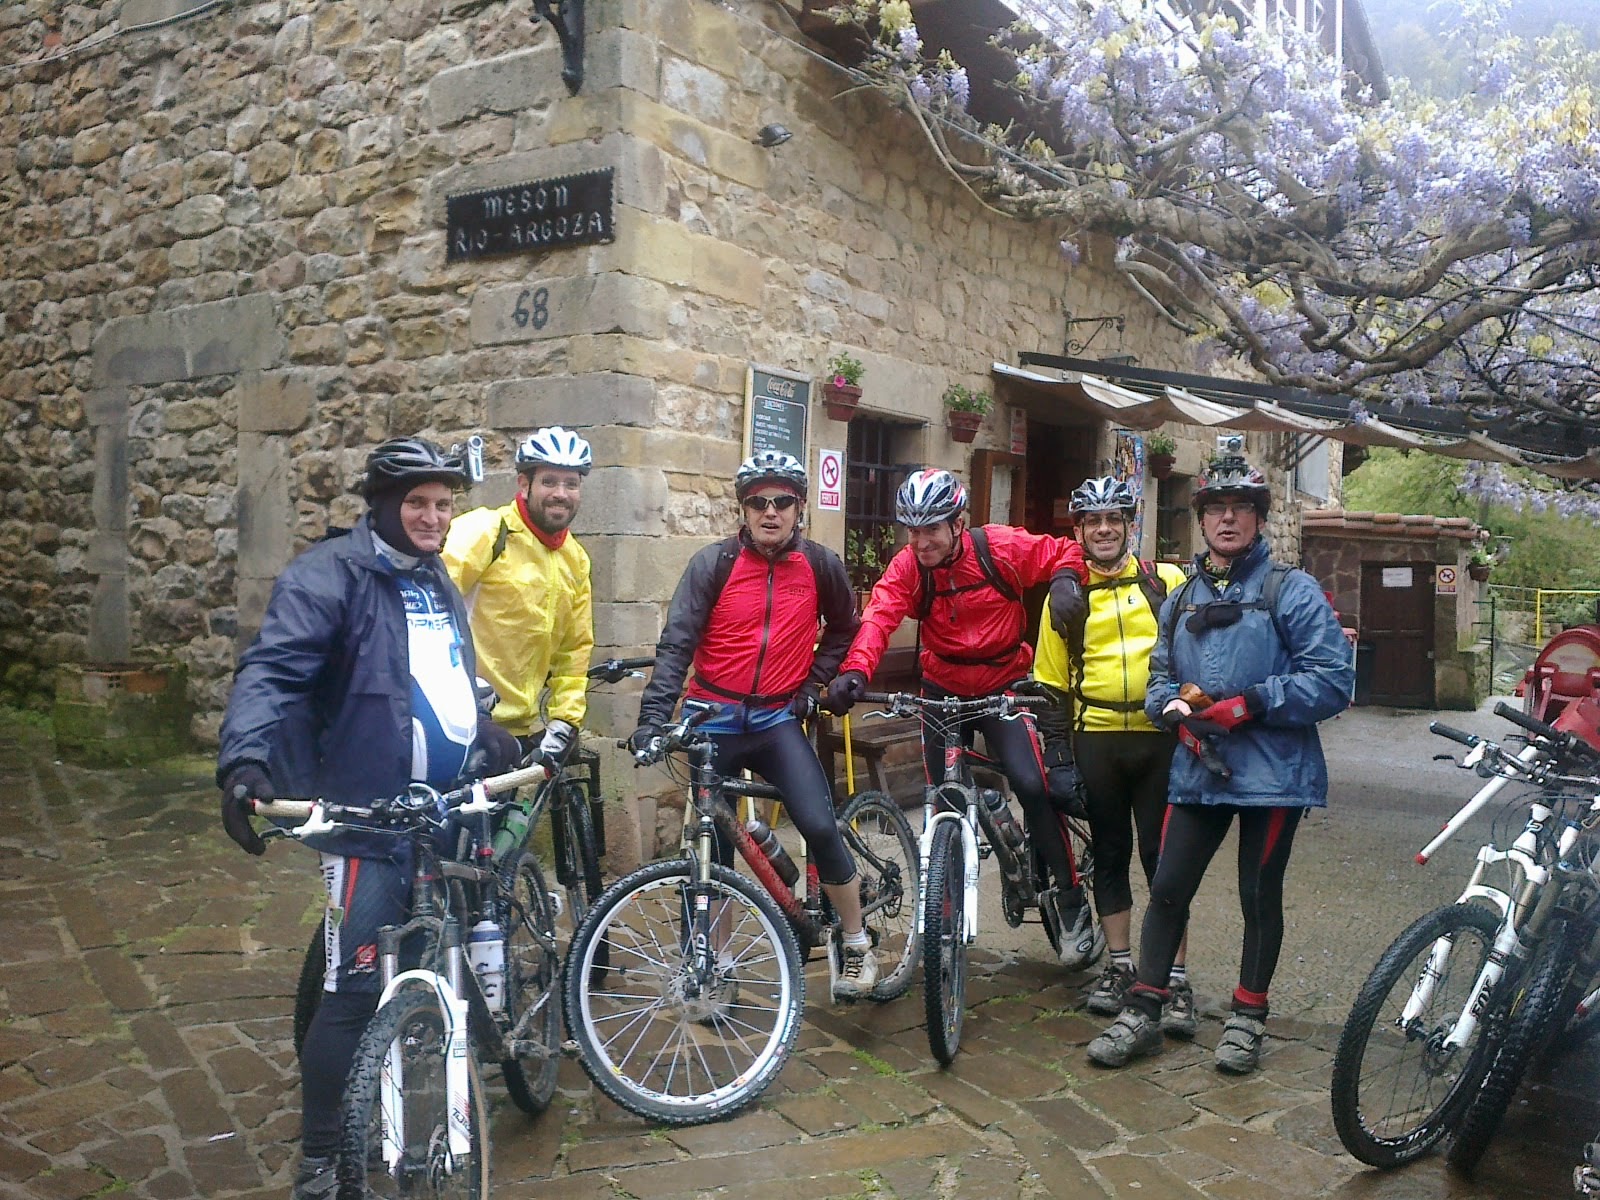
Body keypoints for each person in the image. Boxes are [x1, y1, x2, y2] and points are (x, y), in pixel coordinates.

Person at [214, 437, 520, 1199]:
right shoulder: (331, 575)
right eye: (417, 503)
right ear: (382, 506)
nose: (433, 516)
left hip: (445, 809)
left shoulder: (438, 580)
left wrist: (491, 738)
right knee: (352, 995)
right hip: (367, 821)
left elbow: (445, 680)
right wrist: (244, 763)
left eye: (444, 504)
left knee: (455, 932)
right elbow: (273, 669)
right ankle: (321, 1159)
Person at [1085, 454, 1353, 1074]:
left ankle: (1246, 1018)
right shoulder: (1180, 598)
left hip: (1274, 775)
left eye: (1240, 508)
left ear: (1258, 518)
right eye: (1215, 509)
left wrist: (1253, 703)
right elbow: (1159, 676)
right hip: (1200, 768)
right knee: (1169, 889)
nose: (1227, 519)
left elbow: (1335, 680)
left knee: (1259, 896)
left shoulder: (1291, 588)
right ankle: (1143, 1011)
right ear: (1200, 519)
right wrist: (1171, 709)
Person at [629, 451, 878, 1001]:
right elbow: (676, 645)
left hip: (775, 719)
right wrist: (653, 719)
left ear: (799, 508)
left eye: (782, 501)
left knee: (817, 822)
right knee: (712, 847)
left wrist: (812, 687)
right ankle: (710, 965)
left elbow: (844, 630)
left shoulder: (820, 565)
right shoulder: (713, 564)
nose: (770, 512)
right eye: (758, 502)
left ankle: (856, 943)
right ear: (743, 509)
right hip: (712, 722)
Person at [824, 468, 1096, 967]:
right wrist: (856, 671)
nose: (921, 541)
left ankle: (1072, 900)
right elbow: (880, 615)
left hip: (1002, 683)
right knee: (939, 800)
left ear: (958, 524)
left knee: (1032, 785)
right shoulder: (910, 567)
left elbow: (1065, 550)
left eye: (932, 529)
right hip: (942, 689)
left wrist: (1062, 580)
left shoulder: (1000, 547)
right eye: (912, 529)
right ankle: (942, 914)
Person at [1033, 476, 1195, 1031]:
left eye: (1114, 519)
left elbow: (1200, 651)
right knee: (1109, 853)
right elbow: (1050, 684)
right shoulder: (1065, 597)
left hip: (1159, 739)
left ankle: (1174, 977)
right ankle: (1121, 967)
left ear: (1130, 525)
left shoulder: (1166, 581)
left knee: (1163, 858)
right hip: (1097, 737)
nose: (1104, 529)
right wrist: (1057, 758)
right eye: (1092, 521)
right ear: (1078, 531)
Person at [443, 425, 594, 770]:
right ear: (524, 485)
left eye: (571, 484)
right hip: (464, 724)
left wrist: (565, 720)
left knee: (511, 824)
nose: (561, 493)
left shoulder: (576, 559)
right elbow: (426, 610)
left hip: (521, 732)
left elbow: (575, 649)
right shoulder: (487, 532)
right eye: (549, 482)